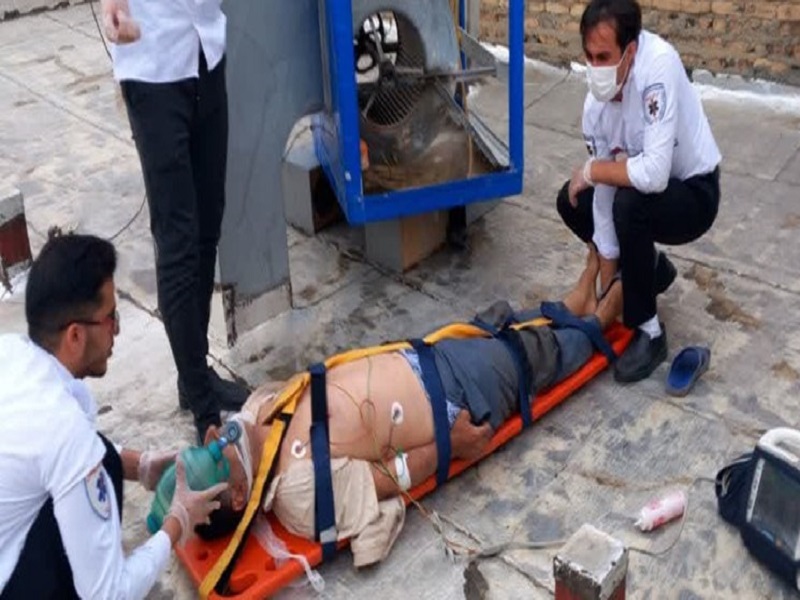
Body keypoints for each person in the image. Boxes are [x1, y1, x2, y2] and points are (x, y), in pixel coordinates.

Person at [188, 246, 623, 568]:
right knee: (528, 357)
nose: (214, 437)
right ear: (240, 494)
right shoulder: (298, 493)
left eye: (208, 441)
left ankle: (574, 303)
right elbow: (390, 477)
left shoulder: (257, 412)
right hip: (451, 399)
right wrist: (451, 444)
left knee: (496, 324)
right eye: (216, 454)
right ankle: (600, 321)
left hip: (418, 354)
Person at [0, 233, 228, 599]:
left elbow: (59, 448)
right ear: (75, 336)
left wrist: (141, 465)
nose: (117, 329)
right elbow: (109, 594)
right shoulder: (63, 431)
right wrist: (176, 523)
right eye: (110, 318)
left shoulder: (11, 353)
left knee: (103, 459)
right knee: (98, 467)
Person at [100, 0, 248, 443]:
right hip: (154, 66)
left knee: (207, 226)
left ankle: (194, 374)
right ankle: (204, 410)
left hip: (206, 51)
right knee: (178, 240)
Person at [555, 0, 722, 383]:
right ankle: (643, 273)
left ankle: (649, 330)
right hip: (645, 196)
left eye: (604, 57)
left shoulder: (657, 67)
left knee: (629, 202)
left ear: (630, 51)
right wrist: (605, 289)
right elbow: (603, 196)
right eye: (589, 57)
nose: (595, 68)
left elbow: (655, 175)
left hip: (694, 194)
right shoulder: (595, 107)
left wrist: (592, 170)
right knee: (573, 199)